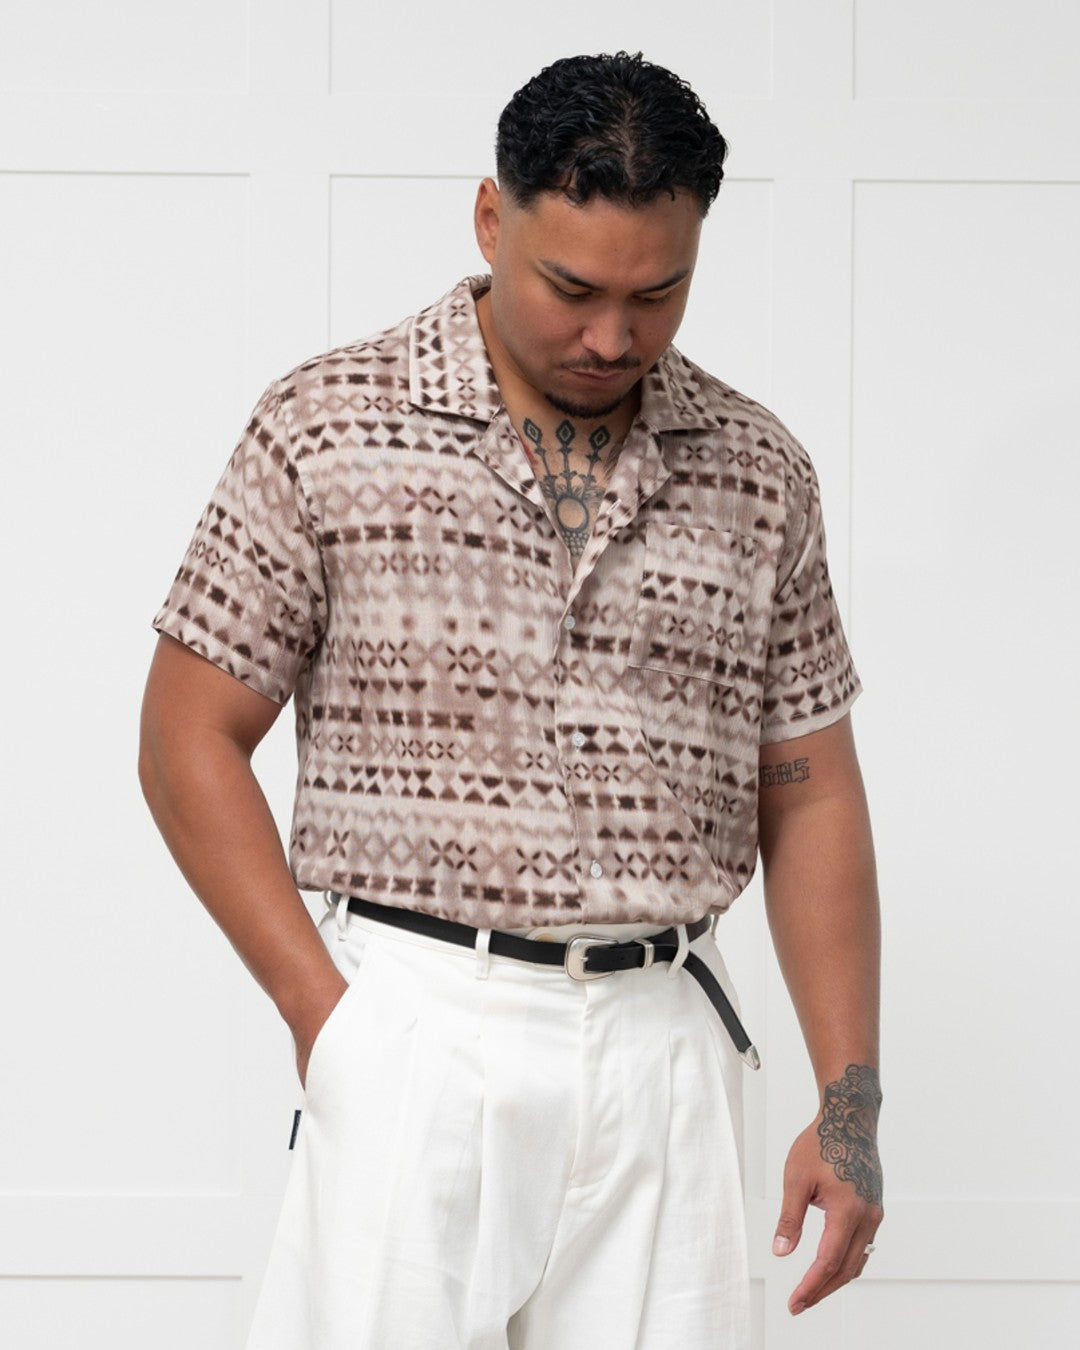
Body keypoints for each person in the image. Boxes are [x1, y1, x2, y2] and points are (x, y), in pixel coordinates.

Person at [139, 51, 882, 1350]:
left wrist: (850, 1103)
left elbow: (809, 790)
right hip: (419, 1027)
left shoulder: (760, 470)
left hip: (667, 1049)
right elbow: (187, 734)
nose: (613, 338)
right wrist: (327, 1019)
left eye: (658, 293)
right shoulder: (329, 424)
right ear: (493, 219)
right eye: (573, 289)